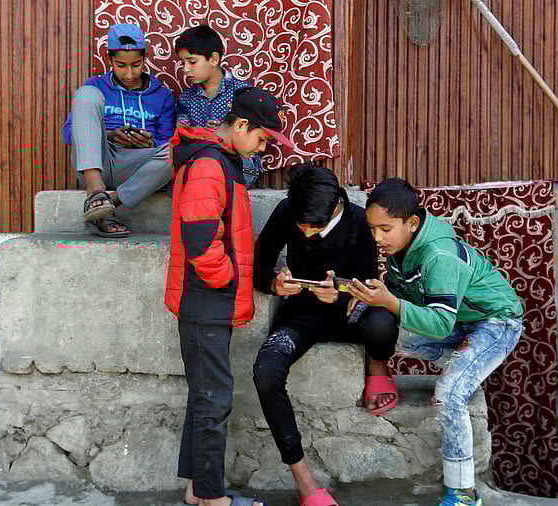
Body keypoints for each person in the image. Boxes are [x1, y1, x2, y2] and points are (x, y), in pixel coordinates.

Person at [348, 178, 525, 506]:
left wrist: (387, 301)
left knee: (449, 395)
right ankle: (464, 362)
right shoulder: (403, 247)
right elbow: (400, 297)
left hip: (495, 324)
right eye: (373, 229)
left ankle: (463, 493)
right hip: (458, 326)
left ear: (412, 223)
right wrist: (359, 295)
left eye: (385, 229)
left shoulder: (438, 254)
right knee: (377, 327)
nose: (377, 238)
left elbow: (439, 320)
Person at [165, 86, 293, 506]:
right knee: (213, 399)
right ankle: (213, 499)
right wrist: (226, 279)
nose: (261, 149)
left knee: (205, 395)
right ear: (241, 125)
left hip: (208, 299)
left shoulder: (222, 160)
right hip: (206, 299)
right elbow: (202, 239)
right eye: (261, 139)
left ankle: (196, 490)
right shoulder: (208, 165)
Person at [252, 164, 400, 506]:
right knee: (266, 370)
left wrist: (344, 293)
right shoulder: (288, 210)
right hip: (302, 313)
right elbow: (258, 265)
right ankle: (304, 480)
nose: (305, 232)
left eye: (314, 226)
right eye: (300, 225)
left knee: (382, 322)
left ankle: (376, 366)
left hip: (350, 313)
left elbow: (368, 282)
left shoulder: (360, 221)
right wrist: (274, 282)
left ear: (335, 206)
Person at [62, 23, 176, 237]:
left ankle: (106, 204)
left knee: (180, 150)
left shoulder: (162, 95)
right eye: (121, 65)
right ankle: (96, 191)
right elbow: (69, 134)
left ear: (145, 58)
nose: (130, 73)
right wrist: (109, 136)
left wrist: (149, 143)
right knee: (85, 93)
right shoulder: (96, 85)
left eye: (136, 64)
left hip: (140, 166)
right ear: (110, 60)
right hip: (99, 162)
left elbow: (165, 142)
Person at [174, 24, 265, 187]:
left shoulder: (243, 93)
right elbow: (181, 138)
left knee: (207, 168)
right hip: (201, 161)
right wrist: (203, 134)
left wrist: (226, 134)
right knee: (195, 164)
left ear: (214, 59)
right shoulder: (186, 99)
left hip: (243, 166)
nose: (186, 69)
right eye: (183, 63)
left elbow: (255, 141)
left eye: (192, 62)